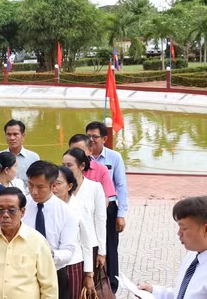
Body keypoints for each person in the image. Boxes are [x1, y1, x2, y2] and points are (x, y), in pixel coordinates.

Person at [137, 196, 207, 298]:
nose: (179, 233)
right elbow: (182, 294)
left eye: (183, 228)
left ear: (206, 229)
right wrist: (154, 292)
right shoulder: (195, 254)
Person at [0, 187, 58, 299]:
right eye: (0, 210)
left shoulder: (37, 241)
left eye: (11, 210)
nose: (5, 215)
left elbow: (49, 287)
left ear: (22, 212)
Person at [23, 161, 79, 299]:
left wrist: (49, 255)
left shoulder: (67, 213)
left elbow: (68, 250)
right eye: (30, 185)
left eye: (40, 187)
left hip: (54, 272)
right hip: (22, 272)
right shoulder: (20, 206)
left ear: (53, 186)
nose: (34, 191)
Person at [85, 121, 128, 293]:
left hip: (108, 207)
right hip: (87, 208)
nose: (91, 139)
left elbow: (121, 185)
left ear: (104, 138)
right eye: (88, 136)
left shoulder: (114, 157)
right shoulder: (82, 157)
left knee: (110, 246)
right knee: (89, 244)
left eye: (94, 136)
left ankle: (112, 286)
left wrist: (121, 214)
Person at [62, 148, 107, 273]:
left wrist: (102, 251)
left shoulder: (95, 187)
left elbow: (100, 220)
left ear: (82, 166)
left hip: (90, 246)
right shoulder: (58, 189)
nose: (65, 169)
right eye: (63, 165)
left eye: (69, 165)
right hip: (67, 247)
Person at [52, 166, 94, 299]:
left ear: (69, 186)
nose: (54, 188)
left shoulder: (80, 207)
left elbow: (87, 242)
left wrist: (89, 274)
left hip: (72, 264)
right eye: (51, 183)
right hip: (49, 264)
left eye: (58, 183)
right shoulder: (46, 207)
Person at [67, 134, 115, 200]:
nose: (76, 155)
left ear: (90, 151)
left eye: (80, 151)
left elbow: (105, 197)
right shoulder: (65, 170)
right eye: (73, 151)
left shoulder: (102, 169)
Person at [0, 119, 40, 185]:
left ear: (23, 136)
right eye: (9, 134)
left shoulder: (33, 158)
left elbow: (38, 181)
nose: (12, 138)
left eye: (15, 134)